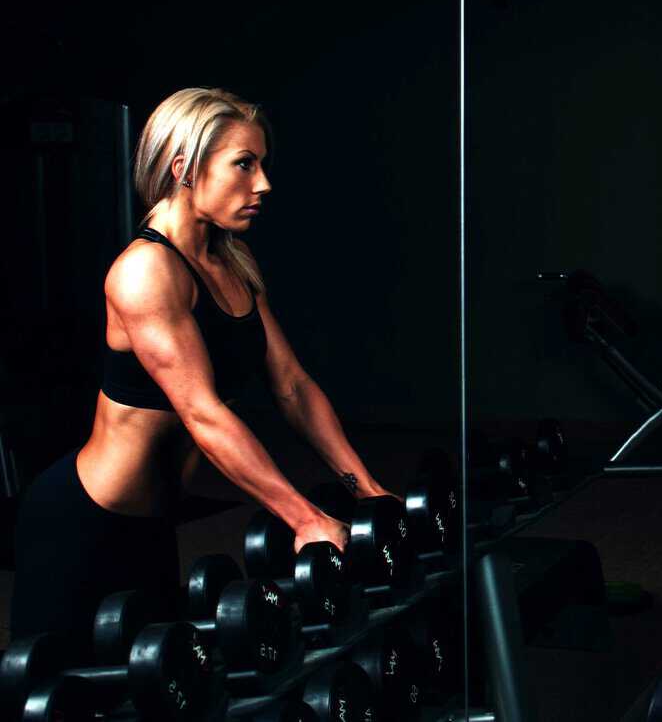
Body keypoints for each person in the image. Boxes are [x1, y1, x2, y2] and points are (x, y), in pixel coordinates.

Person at [10, 87, 394, 658]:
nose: (263, 184)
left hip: (152, 529)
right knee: (55, 692)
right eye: (244, 163)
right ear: (184, 167)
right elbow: (202, 413)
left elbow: (291, 386)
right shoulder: (145, 272)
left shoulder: (231, 262)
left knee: (157, 687)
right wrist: (305, 519)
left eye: (262, 164)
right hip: (82, 523)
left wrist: (367, 493)